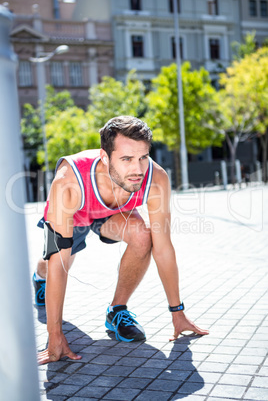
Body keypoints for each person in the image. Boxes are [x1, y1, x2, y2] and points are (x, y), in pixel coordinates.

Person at [33, 115, 209, 365]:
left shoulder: (155, 179)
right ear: (105, 157)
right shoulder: (67, 183)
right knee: (56, 263)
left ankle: (117, 310)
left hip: (113, 214)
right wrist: (55, 334)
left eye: (143, 157)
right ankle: (39, 278)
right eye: (126, 159)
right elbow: (58, 262)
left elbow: (164, 248)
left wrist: (177, 312)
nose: (137, 169)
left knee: (143, 235)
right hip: (76, 213)